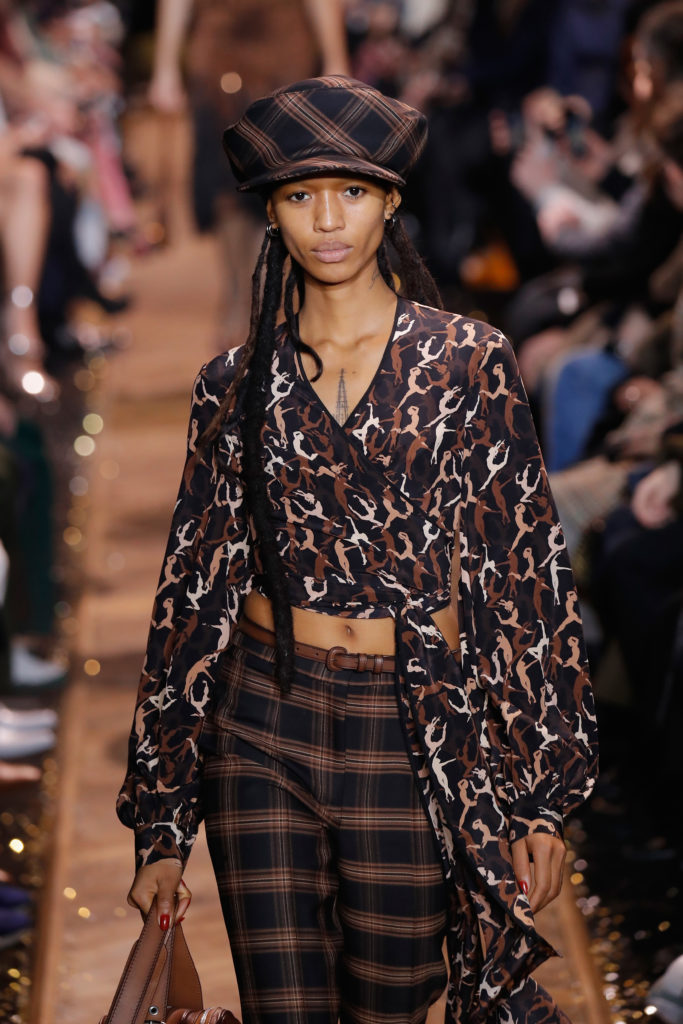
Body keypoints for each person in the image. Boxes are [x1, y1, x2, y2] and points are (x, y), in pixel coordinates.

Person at [118, 76, 599, 1024]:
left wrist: (538, 792)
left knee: (391, 1005)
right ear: (271, 213)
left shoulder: (465, 360)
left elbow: (520, 574)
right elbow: (193, 591)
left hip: (409, 724)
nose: (328, 220)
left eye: (352, 191)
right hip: (261, 717)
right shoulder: (233, 383)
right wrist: (163, 820)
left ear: (390, 201)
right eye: (300, 196)